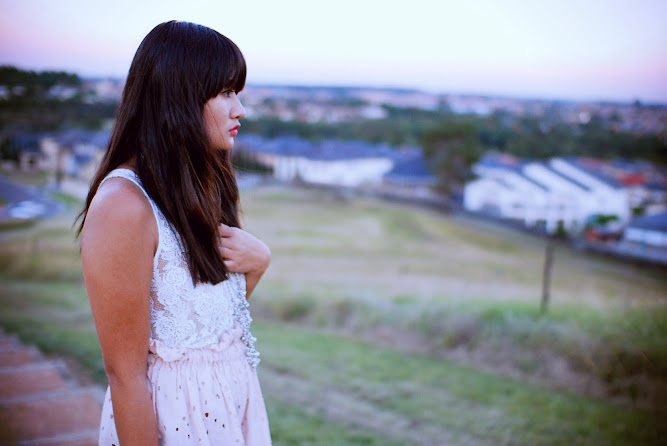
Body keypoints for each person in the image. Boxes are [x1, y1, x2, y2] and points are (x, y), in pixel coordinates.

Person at [77, 21, 272, 445]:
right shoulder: (123, 206)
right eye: (225, 93)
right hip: (173, 424)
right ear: (178, 97)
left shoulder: (198, 183)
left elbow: (204, 324)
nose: (239, 109)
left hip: (229, 410)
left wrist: (257, 265)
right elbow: (125, 375)